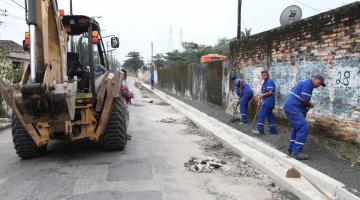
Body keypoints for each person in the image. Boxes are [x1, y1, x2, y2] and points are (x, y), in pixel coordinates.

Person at [283, 74, 326, 160]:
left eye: (321, 84)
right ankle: (297, 152)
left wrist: (305, 107)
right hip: (293, 107)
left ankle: (291, 148)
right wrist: (310, 104)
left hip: (291, 106)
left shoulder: (305, 82)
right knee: (303, 128)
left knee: (296, 128)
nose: (319, 85)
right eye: (319, 83)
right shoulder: (308, 84)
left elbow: (301, 99)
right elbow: (304, 100)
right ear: (315, 79)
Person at [253, 69, 277, 135]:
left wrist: (262, 95)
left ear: (268, 75)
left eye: (265, 75)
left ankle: (260, 131)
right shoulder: (265, 83)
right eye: (262, 75)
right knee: (270, 116)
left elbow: (270, 92)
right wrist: (261, 98)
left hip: (268, 102)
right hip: (266, 102)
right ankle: (273, 131)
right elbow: (263, 94)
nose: (263, 76)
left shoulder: (269, 82)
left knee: (260, 115)